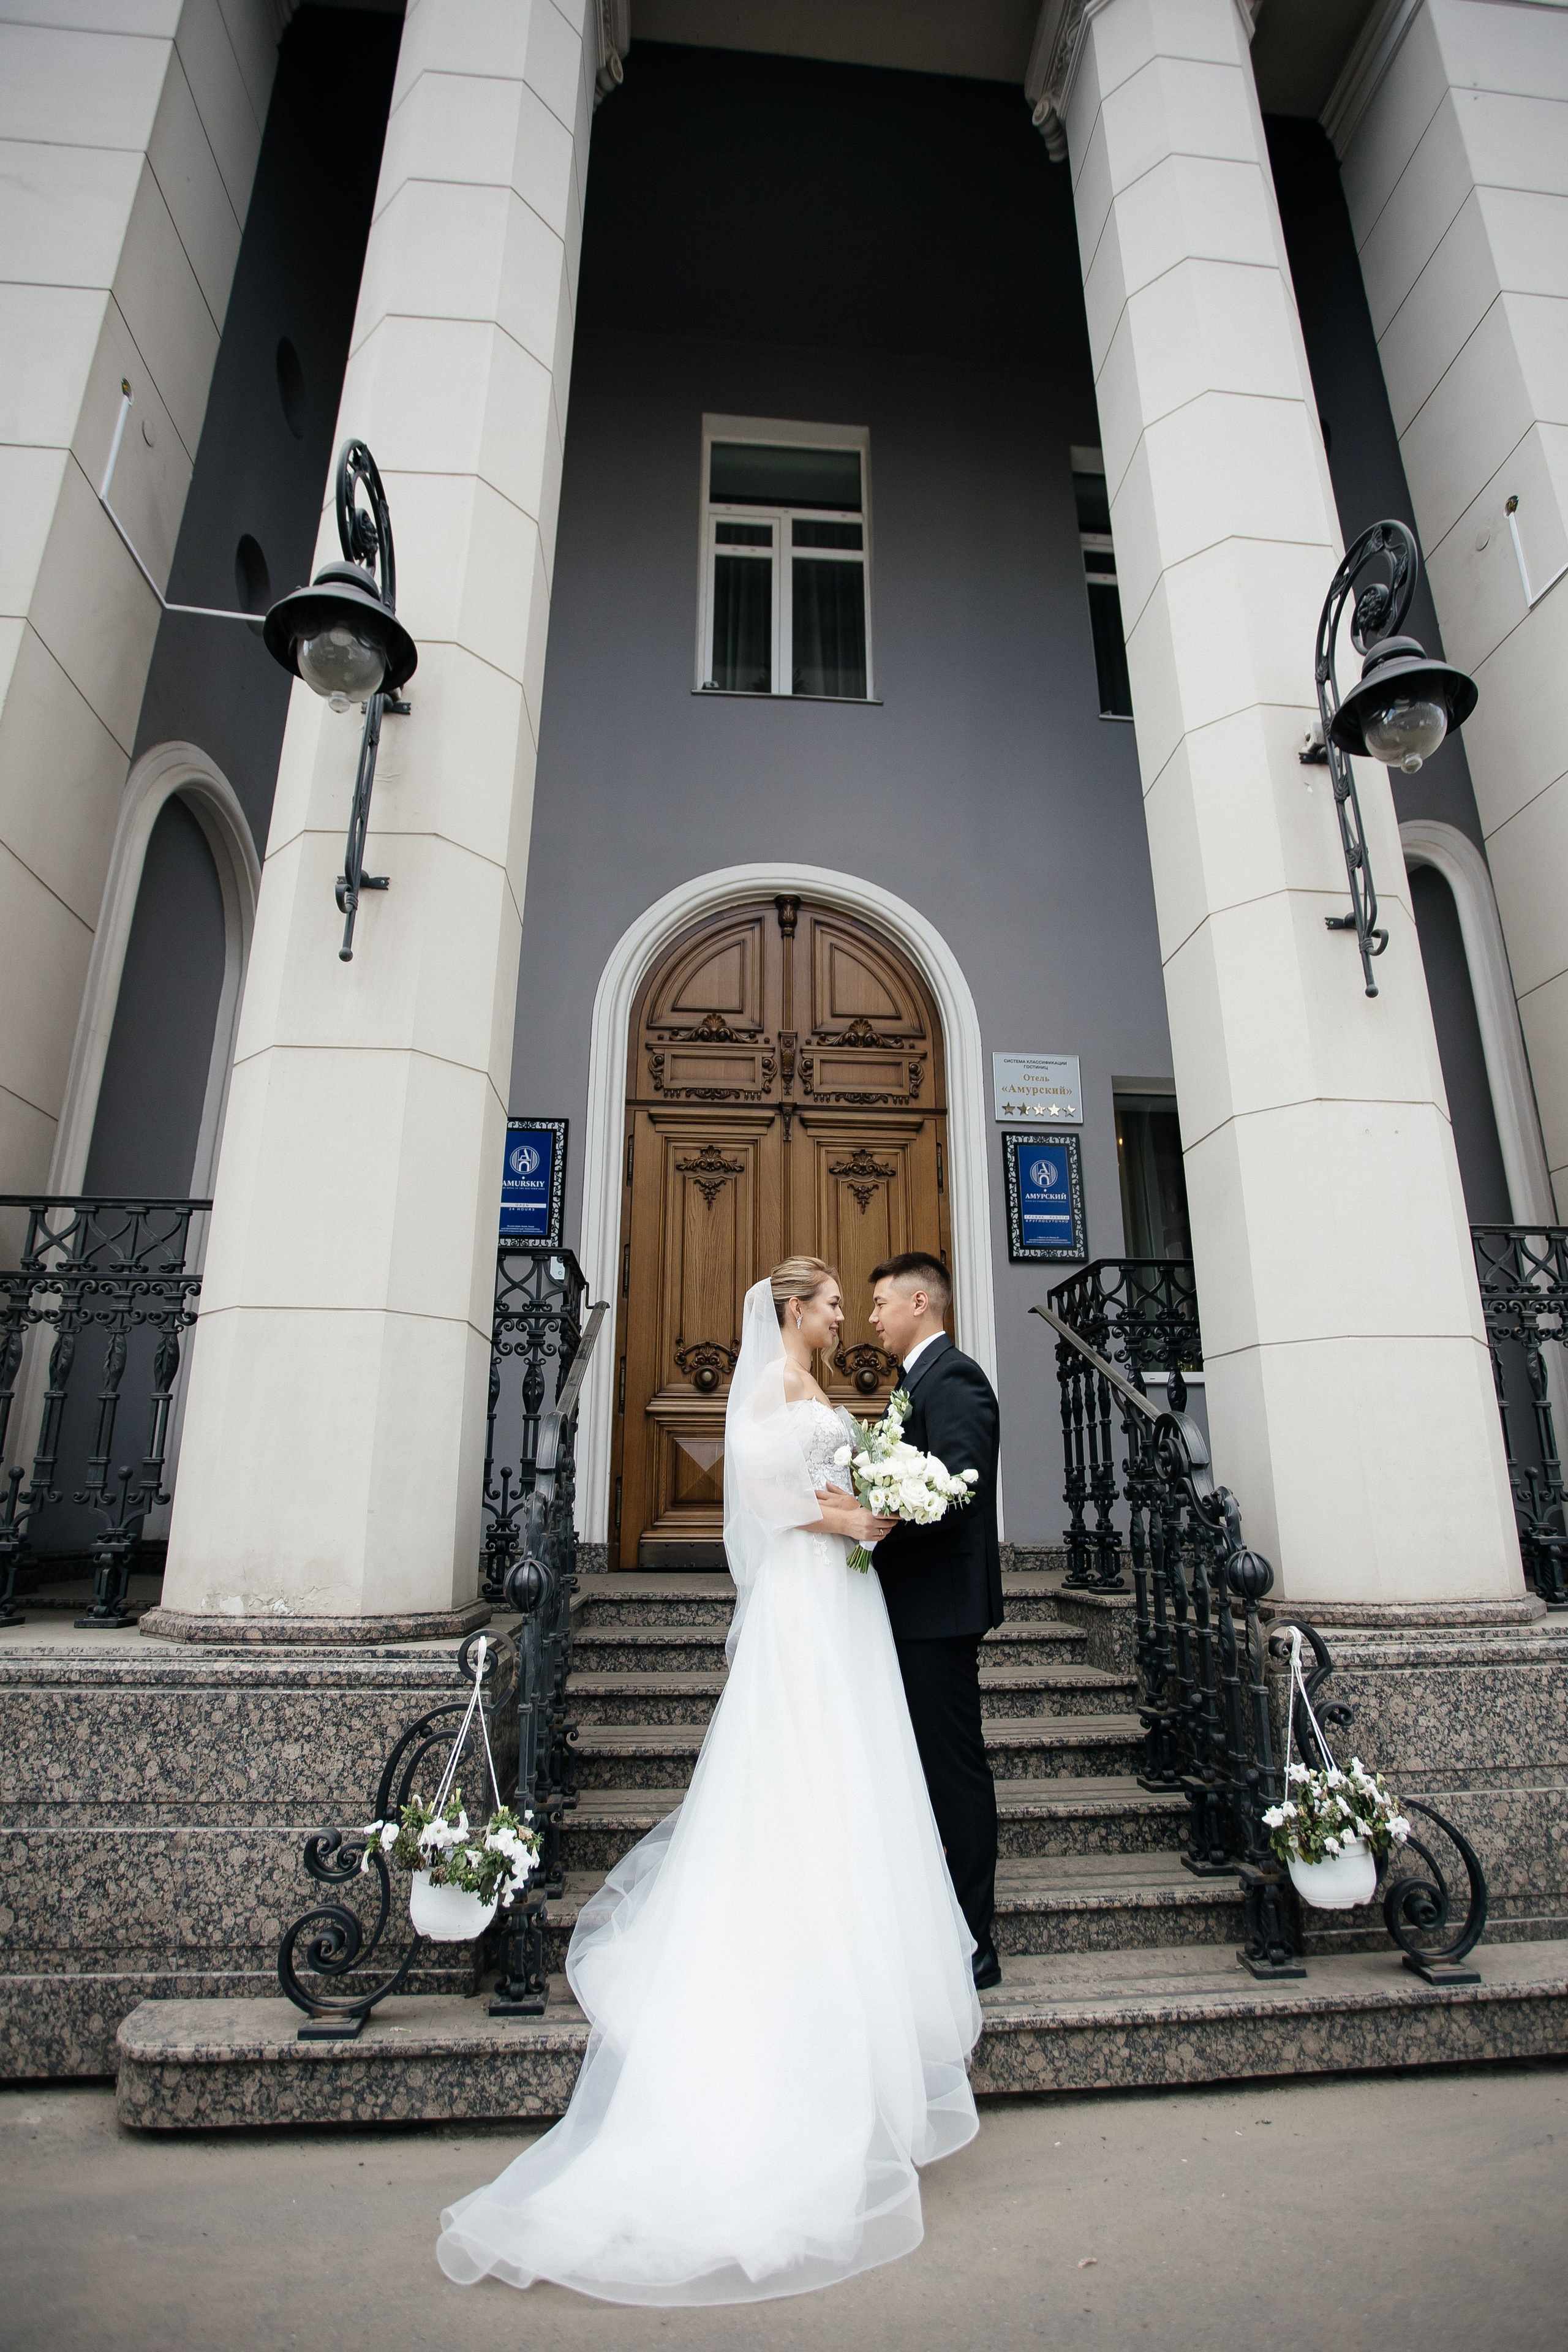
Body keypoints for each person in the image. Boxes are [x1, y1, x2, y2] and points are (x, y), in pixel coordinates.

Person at [436, 1257, 982, 2305]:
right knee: (805, 1766)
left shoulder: (811, 1385)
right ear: (793, 1312)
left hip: (839, 1600)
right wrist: (848, 1519)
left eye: (847, 1304)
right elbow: (766, 1493)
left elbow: (818, 1480)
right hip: (809, 1599)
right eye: (828, 1304)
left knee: (849, 1773)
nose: (842, 1316)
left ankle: (853, 2022)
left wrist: (864, 1504)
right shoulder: (776, 1384)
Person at [865, 1253, 1003, 1988]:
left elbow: (957, 1487)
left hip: (940, 1611)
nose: (872, 1319)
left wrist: (876, 1523)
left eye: (881, 1303)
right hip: (914, 1606)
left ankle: (976, 1941)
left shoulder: (956, 1378)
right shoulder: (911, 1383)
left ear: (920, 1302)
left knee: (953, 1773)